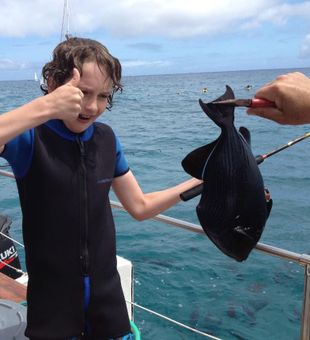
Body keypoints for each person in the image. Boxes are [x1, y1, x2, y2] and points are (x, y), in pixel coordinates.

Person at [0, 37, 202, 340]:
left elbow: (140, 206)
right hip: (53, 307)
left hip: (107, 302)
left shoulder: (107, 139)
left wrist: (202, 181)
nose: (93, 106)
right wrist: (44, 107)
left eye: (104, 96)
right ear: (54, 82)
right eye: (83, 93)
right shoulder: (30, 138)